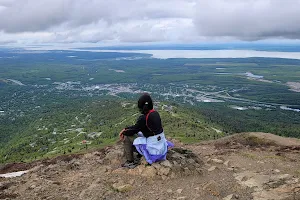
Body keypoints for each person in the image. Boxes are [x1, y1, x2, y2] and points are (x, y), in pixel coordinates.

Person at [119, 93, 173, 168]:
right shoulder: (155, 113)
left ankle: (130, 161)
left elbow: (133, 130)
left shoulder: (143, 118)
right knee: (141, 133)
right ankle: (139, 154)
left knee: (127, 137)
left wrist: (124, 131)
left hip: (153, 150)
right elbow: (138, 128)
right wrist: (126, 128)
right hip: (161, 148)